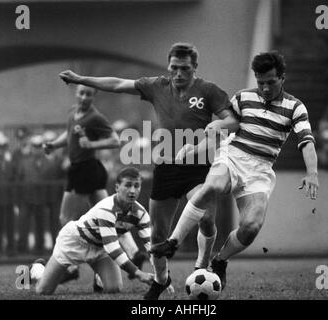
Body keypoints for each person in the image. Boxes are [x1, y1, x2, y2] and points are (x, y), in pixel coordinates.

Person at [58, 42, 238, 299]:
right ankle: (160, 280)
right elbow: (119, 84)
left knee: (207, 218)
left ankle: (202, 266)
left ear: (194, 68)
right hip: (165, 167)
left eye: (185, 69)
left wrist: (216, 125)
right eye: (174, 67)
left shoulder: (208, 90)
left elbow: (233, 120)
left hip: (197, 167)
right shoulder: (157, 86)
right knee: (158, 233)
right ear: (168, 66)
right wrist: (80, 78)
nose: (178, 74)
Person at [150, 51, 319, 290]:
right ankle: (173, 242)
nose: (265, 88)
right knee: (213, 185)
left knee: (251, 226)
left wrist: (312, 173)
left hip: (260, 170)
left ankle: (219, 261)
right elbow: (223, 130)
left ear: (282, 78)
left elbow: (307, 141)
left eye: (271, 82)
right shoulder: (243, 97)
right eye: (261, 83)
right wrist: (196, 147)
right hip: (232, 157)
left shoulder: (295, 107)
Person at [42, 84, 145, 291]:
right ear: (76, 94)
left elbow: (115, 140)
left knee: (65, 219)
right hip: (88, 170)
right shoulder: (73, 113)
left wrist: (92, 145)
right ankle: (133, 253)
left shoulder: (95, 117)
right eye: (81, 92)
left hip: (85, 170)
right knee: (111, 215)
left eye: (89, 93)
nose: (84, 97)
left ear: (93, 97)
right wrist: (54, 144)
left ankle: (69, 267)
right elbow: (69, 134)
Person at [30, 167, 154, 295]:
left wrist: (163, 279)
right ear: (117, 187)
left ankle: (99, 278)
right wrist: (139, 274)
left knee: (114, 288)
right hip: (75, 242)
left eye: (136, 186)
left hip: (100, 249)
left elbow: (152, 247)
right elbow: (112, 248)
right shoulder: (107, 208)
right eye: (128, 185)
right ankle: (37, 269)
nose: (132, 190)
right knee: (43, 290)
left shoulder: (141, 214)